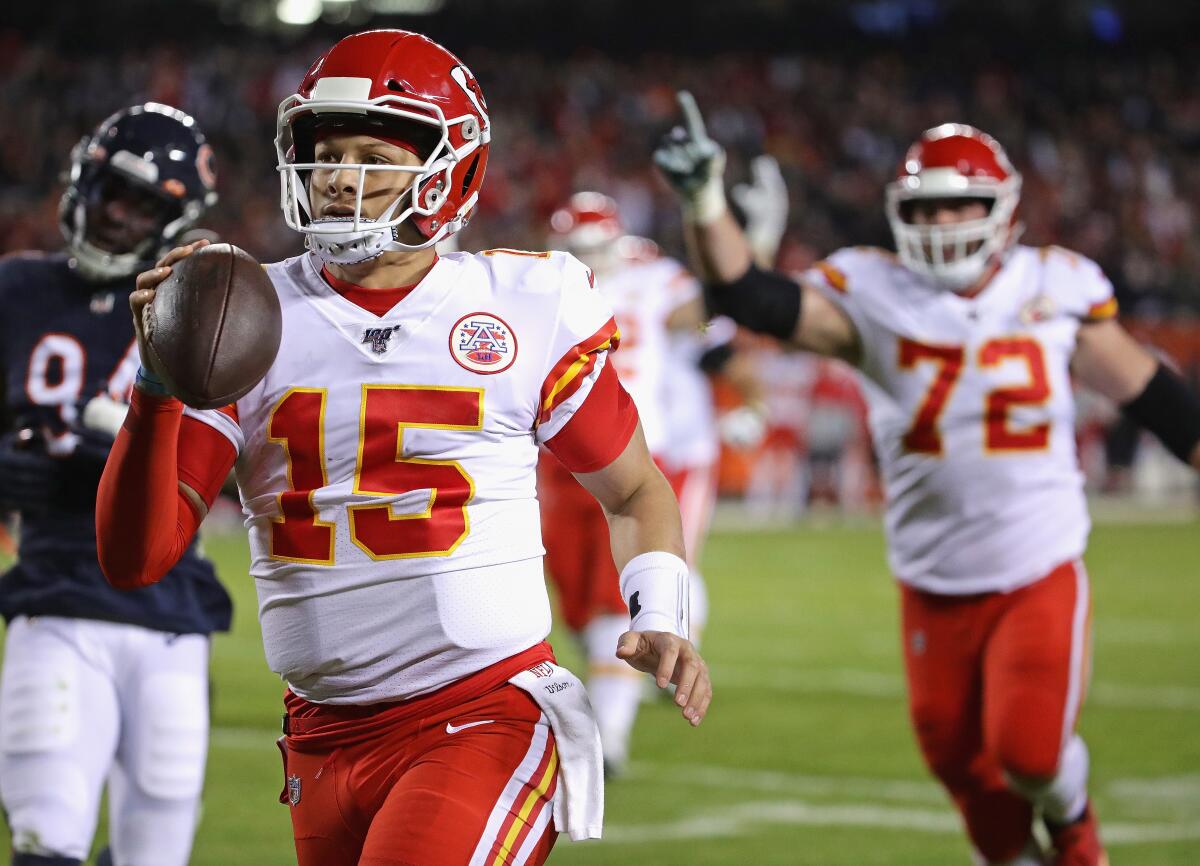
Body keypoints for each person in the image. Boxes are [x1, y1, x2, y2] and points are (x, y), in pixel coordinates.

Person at [95, 31, 710, 866]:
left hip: (486, 713)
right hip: (321, 733)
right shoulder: (242, 315)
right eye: (327, 154)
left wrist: (662, 611)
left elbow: (635, 490)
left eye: (373, 155)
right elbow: (136, 556)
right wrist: (156, 388)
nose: (341, 178)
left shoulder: (522, 305)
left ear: (451, 166)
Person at [656, 95, 1200, 866]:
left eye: (962, 207)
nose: (945, 225)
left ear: (1002, 210)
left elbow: (1159, 398)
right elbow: (750, 296)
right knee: (958, 764)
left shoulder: (1054, 287)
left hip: (1034, 566)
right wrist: (705, 203)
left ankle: (1076, 830)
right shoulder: (875, 294)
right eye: (929, 209)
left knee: (1032, 754)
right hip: (931, 580)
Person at [0, 104, 230, 866]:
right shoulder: (16, 291)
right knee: (46, 839)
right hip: (56, 591)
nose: (121, 217)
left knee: (155, 852)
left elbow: (236, 458)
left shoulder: (206, 310)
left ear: (177, 220)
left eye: (145, 206)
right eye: (113, 194)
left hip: (171, 610)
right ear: (81, 184)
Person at [539, 193, 708, 775]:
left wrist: (742, 253)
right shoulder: (544, 284)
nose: (588, 258)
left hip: (629, 447)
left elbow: (708, 313)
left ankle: (607, 738)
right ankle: (614, 693)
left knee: (615, 601)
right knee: (579, 608)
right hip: (556, 457)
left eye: (595, 247)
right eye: (577, 248)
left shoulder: (654, 281)